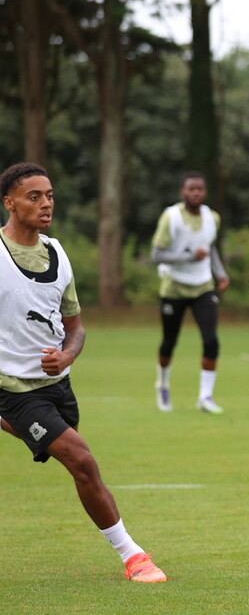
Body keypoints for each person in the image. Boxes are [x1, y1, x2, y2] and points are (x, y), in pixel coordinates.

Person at [0, 162, 167, 582]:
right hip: (14, 387)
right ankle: (134, 557)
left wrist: (68, 356)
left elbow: (75, 327)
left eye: (50, 195)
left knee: (55, 440)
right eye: (34, 196)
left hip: (58, 386)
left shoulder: (57, 253)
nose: (45, 204)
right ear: (9, 203)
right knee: (82, 461)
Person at [150, 171, 229, 414]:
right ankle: (162, 384)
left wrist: (220, 272)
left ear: (205, 193)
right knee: (169, 341)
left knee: (211, 340)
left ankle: (205, 397)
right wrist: (189, 257)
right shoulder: (171, 217)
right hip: (174, 287)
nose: (195, 193)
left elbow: (210, 248)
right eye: (191, 189)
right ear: (182, 192)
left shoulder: (212, 218)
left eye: (200, 189)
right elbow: (157, 255)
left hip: (203, 286)